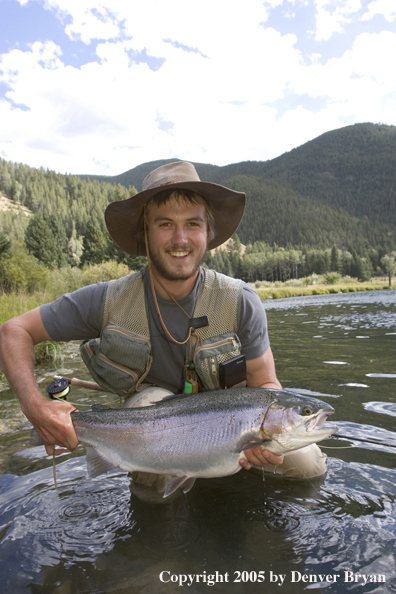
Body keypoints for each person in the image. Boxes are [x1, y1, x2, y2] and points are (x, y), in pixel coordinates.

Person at [0, 161, 326, 484]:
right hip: (151, 436)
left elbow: (266, 384)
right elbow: (13, 331)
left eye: (193, 224)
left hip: (231, 436)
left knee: (307, 464)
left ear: (208, 233)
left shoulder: (240, 300)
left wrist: (269, 438)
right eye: (165, 224)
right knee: (147, 407)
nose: (180, 239)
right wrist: (34, 406)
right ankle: (154, 514)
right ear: (146, 233)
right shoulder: (106, 301)